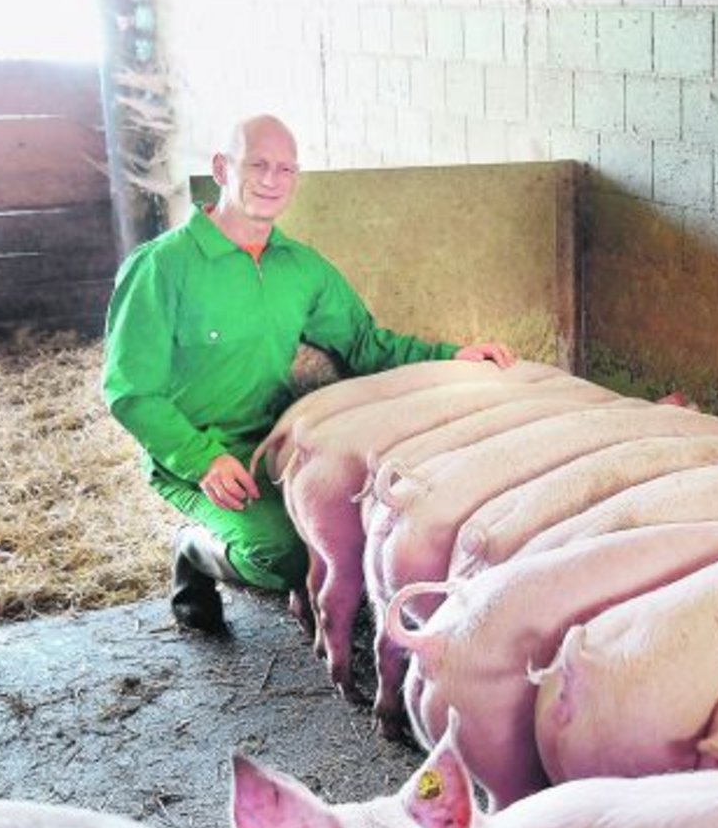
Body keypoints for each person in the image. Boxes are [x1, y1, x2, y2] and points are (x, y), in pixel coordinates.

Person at [101, 114, 515, 633]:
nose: (272, 180)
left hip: (280, 440)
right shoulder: (163, 267)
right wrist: (202, 459)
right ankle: (193, 552)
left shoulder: (300, 267)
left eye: (286, 169)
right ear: (222, 168)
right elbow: (129, 392)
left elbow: (365, 344)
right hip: (196, 450)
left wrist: (452, 356)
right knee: (284, 557)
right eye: (257, 165)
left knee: (375, 530)